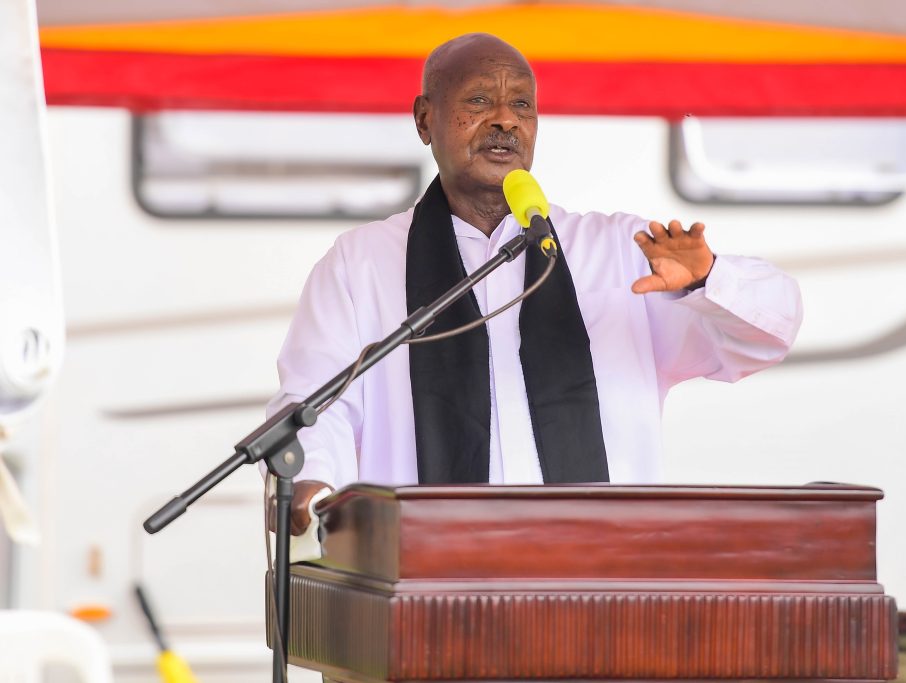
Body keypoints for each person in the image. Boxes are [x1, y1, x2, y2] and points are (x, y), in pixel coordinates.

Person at [268, 33, 802, 535]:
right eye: (479, 101)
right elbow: (317, 402)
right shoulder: (361, 264)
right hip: (421, 581)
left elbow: (766, 336)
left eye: (522, 105)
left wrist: (707, 281)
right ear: (425, 119)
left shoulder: (619, 250)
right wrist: (312, 481)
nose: (505, 119)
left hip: (597, 584)